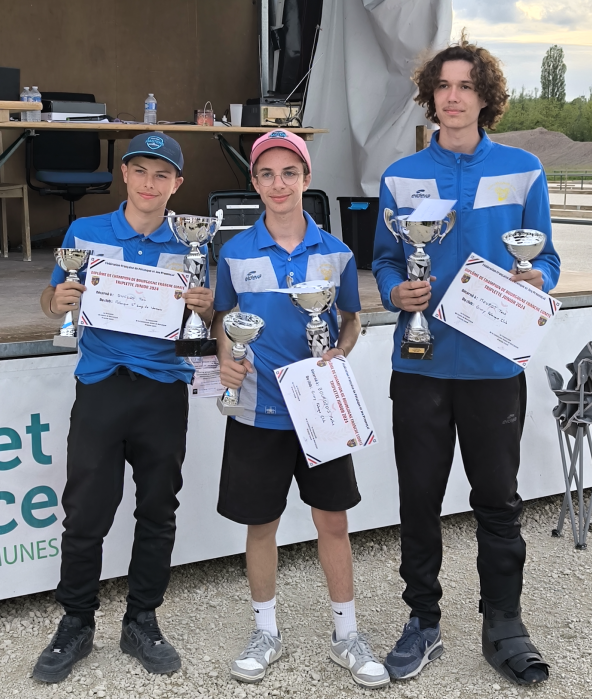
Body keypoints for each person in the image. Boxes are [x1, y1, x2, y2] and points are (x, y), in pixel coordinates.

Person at [372, 36, 560, 686]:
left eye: (465, 86)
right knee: (419, 501)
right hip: (421, 365)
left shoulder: (524, 168)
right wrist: (397, 290)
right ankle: (422, 622)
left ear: (484, 97)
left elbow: (549, 258)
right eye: (443, 86)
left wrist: (539, 280)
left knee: (498, 501)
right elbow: (386, 258)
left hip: (492, 369)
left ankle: (503, 622)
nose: (453, 97)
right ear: (431, 96)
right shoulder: (400, 176)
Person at [211, 130, 389, 689]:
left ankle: (347, 634)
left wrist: (341, 350)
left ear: (306, 180)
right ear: (255, 183)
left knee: (332, 523)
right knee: (261, 526)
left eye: (290, 172)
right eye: (267, 174)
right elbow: (221, 319)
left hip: (321, 413)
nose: (279, 183)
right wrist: (227, 358)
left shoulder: (336, 252)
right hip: (258, 411)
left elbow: (353, 319)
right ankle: (266, 632)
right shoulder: (234, 252)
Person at [33, 133, 213, 683]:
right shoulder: (85, 233)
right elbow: (49, 303)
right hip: (102, 385)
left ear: (177, 185)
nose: (150, 184)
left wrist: (206, 308)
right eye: (141, 171)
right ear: (125, 176)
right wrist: (58, 300)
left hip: (163, 388)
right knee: (86, 510)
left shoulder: (192, 245)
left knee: (158, 509)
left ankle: (141, 620)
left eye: (163, 176)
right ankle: (76, 622)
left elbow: (202, 334)